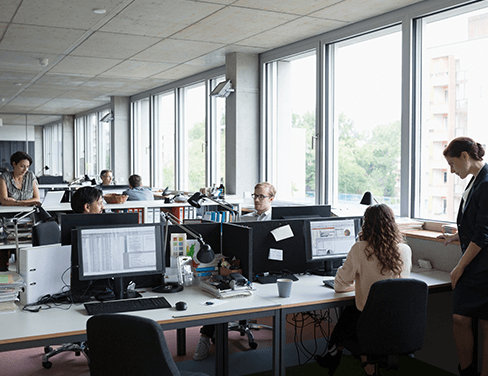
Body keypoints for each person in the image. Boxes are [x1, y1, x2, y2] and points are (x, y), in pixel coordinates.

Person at [316, 204, 411, 376]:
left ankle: (335, 352)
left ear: (365, 224)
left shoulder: (360, 249)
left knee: (353, 312)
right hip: (397, 320)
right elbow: (400, 285)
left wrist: (358, 284)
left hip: (369, 322)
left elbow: (339, 286)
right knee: (353, 311)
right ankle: (334, 352)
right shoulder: (404, 250)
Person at [193, 182, 276, 361]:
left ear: (271, 198)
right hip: (240, 268)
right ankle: (205, 337)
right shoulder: (245, 218)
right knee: (215, 294)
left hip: (267, 270)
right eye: (255, 195)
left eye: (261, 196)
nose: (256, 200)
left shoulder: (279, 221)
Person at [437, 137, 488, 376]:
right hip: (475, 264)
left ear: (465, 156)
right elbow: (477, 224)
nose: (451, 169)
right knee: (460, 318)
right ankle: (467, 371)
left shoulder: (487, 182)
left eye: (452, 163)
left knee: (486, 325)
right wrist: (457, 236)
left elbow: (483, 235)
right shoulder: (475, 180)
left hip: (484, 267)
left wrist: (458, 268)